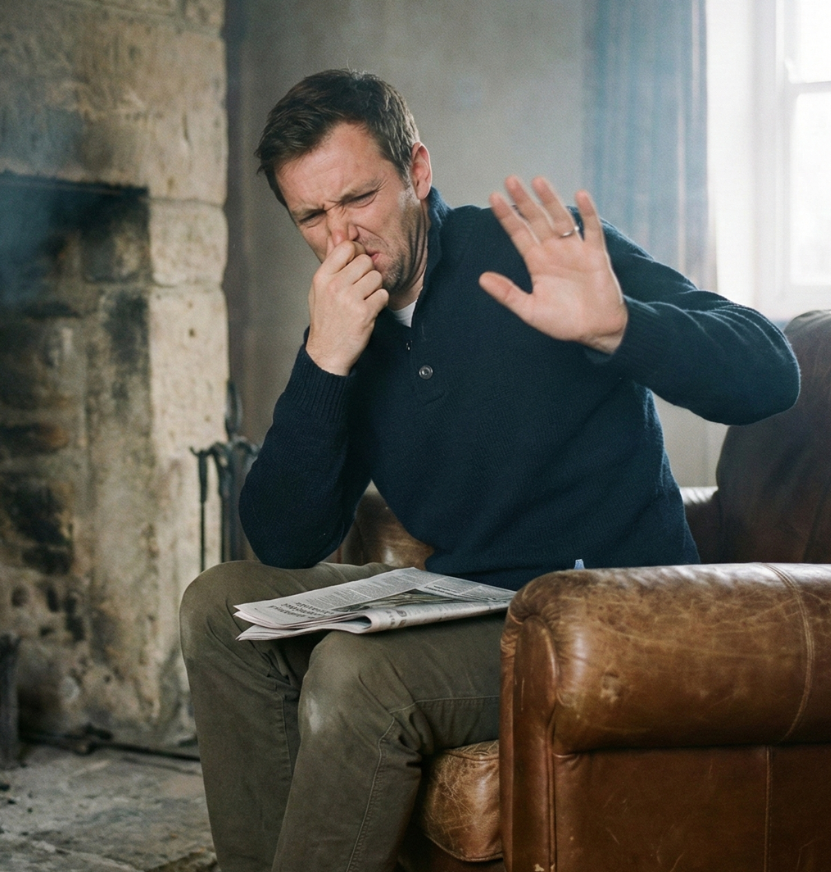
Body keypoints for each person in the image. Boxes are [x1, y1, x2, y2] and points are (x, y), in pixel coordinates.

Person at [179, 70, 799, 872]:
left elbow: (770, 372)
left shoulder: (539, 254)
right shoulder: (345, 326)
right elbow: (283, 539)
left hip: (607, 610)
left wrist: (618, 326)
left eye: (360, 198)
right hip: (468, 604)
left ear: (418, 171)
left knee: (359, 674)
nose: (343, 238)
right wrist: (325, 363)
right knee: (215, 607)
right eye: (312, 215)